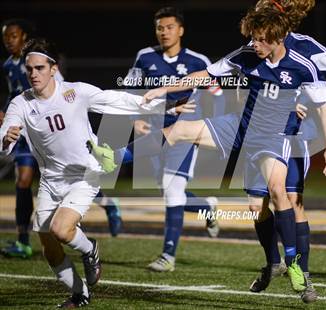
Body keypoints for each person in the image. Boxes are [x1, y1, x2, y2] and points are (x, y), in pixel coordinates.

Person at [89, 7, 326, 299]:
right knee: (181, 131)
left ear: (277, 38)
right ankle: (115, 157)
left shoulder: (301, 65)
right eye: (253, 38)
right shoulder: (245, 55)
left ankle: (294, 263)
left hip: (274, 136)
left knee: (277, 191)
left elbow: (322, 105)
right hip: (240, 126)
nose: (254, 44)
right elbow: (203, 75)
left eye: (260, 39)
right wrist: (162, 91)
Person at [0, 38, 194, 308]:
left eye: (40, 68)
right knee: (48, 247)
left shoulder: (76, 92)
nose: (33, 74)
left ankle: (90, 249)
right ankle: (80, 294)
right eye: (29, 69)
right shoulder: (21, 103)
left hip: (85, 174)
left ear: (53, 68)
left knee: (62, 230)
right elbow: (7, 129)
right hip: (50, 181)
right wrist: (7, 138)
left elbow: (120, 100)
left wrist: (167, 107)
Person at [245, 1, 326, 302]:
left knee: (292, 200)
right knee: (257, 206)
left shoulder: (305, 46)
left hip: (294, 136)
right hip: (261, 134)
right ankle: (273, 262)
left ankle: (302, 273)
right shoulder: (255, 46)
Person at [0, 19, 122, 261]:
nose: (9, 40)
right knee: (23, 182)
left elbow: (62, 93)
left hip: (49, 130)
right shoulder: (9, 66)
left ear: (23, 37)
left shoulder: (43, 62)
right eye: (6, 37)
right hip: (24, 128)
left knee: (69, 173)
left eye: (13, 35)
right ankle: (23, 240)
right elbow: (17, 97)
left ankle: (106, 202)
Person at [126, 7, 225, 272]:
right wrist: (135, 117)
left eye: (170, 27)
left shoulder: (197, 61)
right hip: (154, 133)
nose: (164, 32)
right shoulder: (145, 57)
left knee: (172, 190)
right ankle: (208, 207)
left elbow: (217, 93)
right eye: (160, 27)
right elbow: (133, 90)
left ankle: (168, 255)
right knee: (168, 190)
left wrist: (209, 122)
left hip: (183, 132)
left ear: (181, 30)